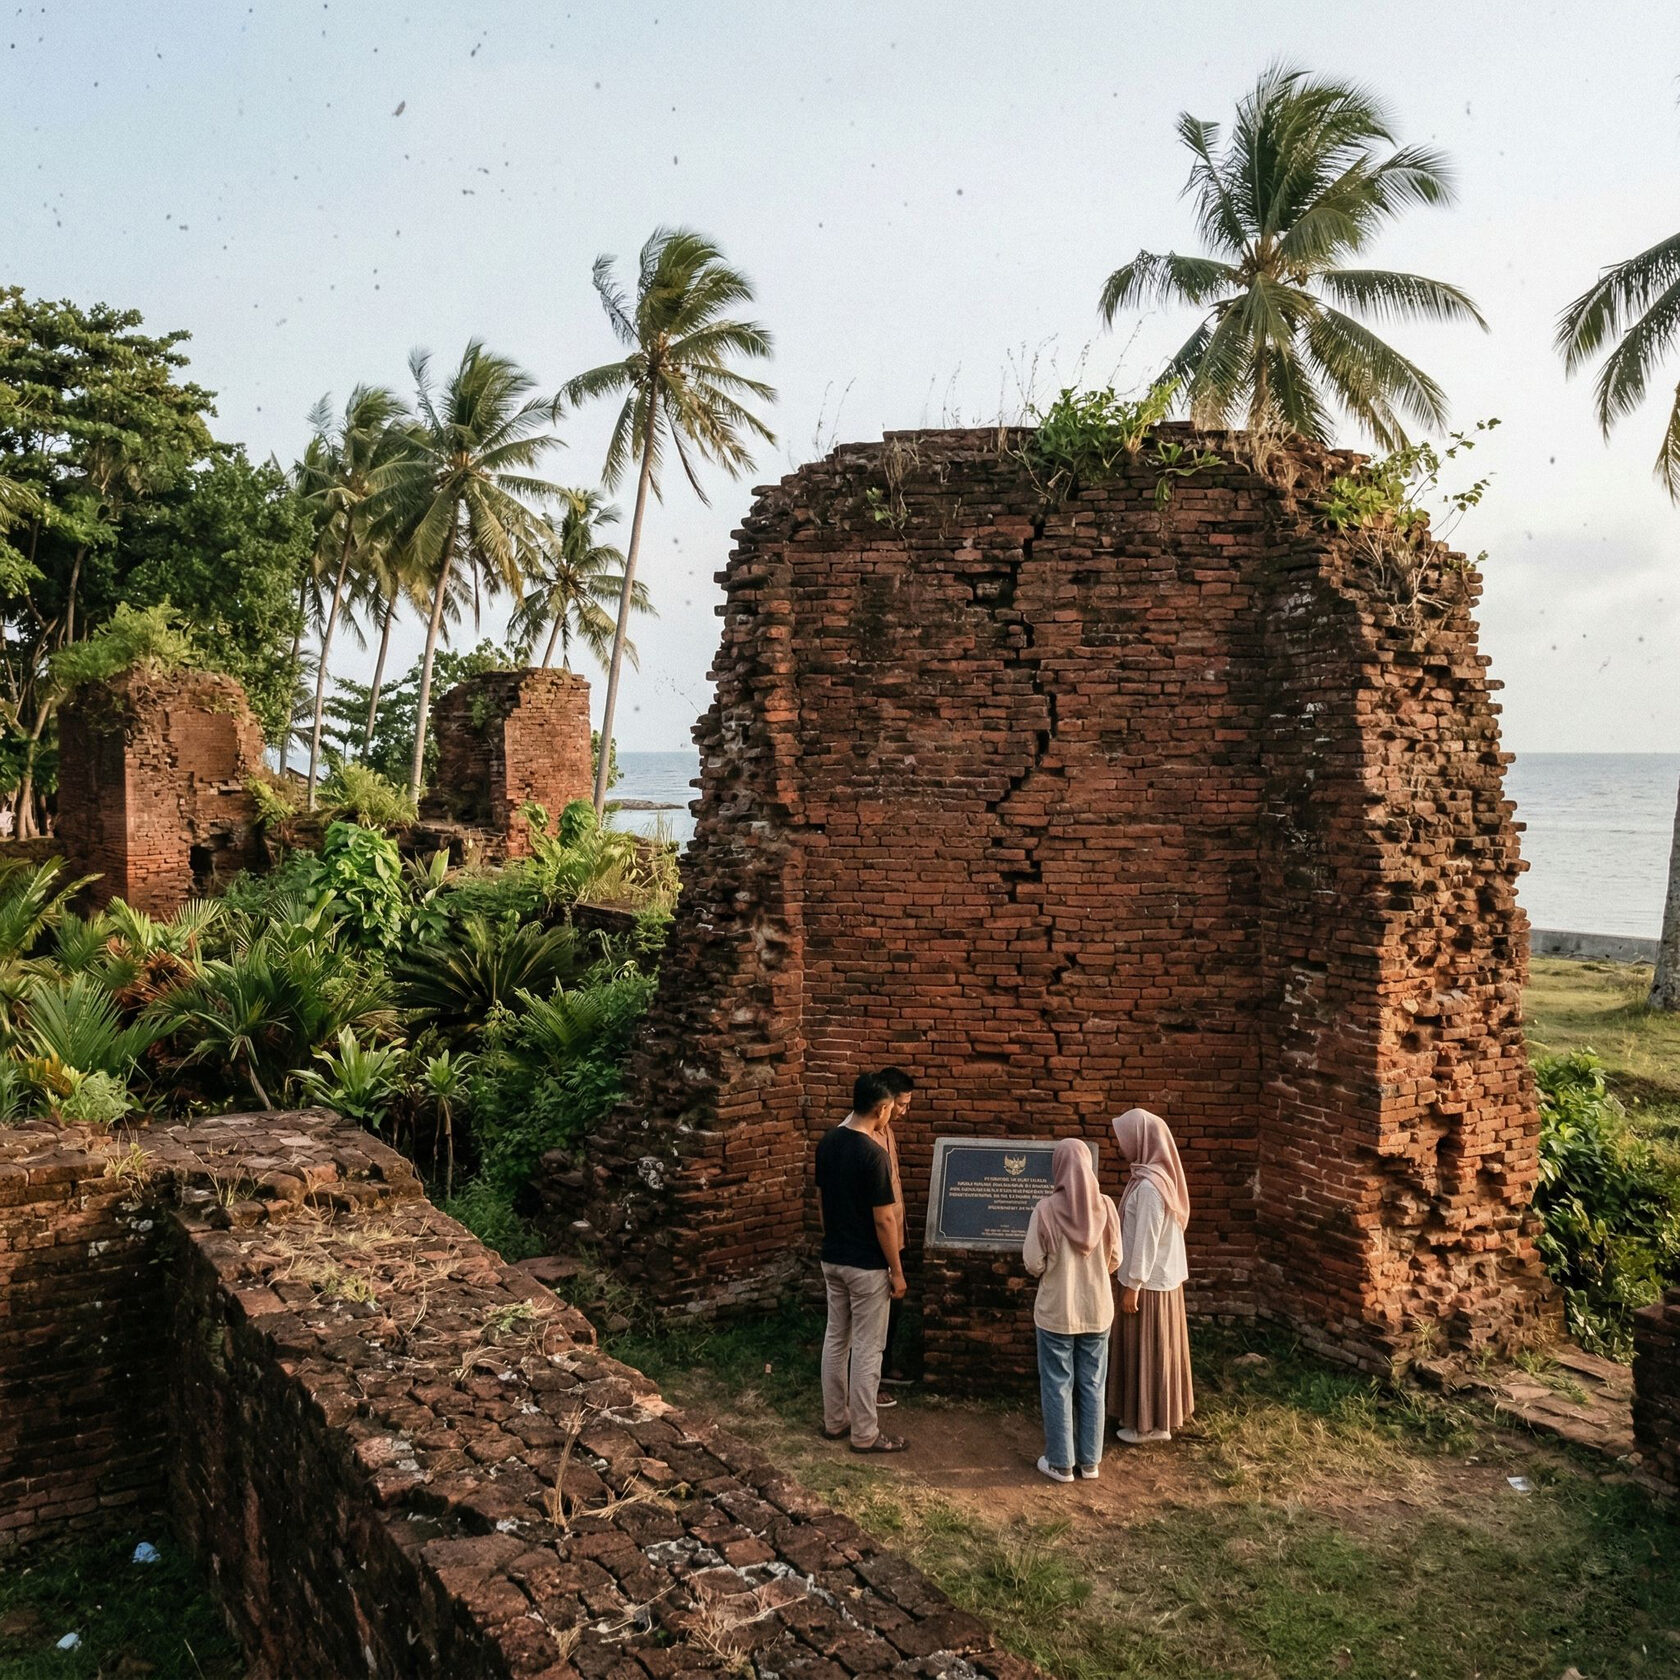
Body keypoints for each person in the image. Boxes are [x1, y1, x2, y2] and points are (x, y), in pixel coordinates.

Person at [814, 1071, 908, 1452]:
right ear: (881, 1109)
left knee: (836, 1340)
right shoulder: (874, 1155)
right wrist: (896, 1271)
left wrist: (833, 1237)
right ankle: (866, 1433)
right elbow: (884, 1220)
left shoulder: (827, 1143)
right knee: (869, 1349)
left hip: (833, 1257)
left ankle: (835, 1419)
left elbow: (821, 1203)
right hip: (866, 1265)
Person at [1023, 1137, 1121, 1483]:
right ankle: (1090, 1462)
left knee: (1057, 1384)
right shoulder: (1106, 1207)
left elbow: (1033, 1263)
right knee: (1093, 1384)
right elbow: (1116, 1259)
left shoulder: (1046, 1210)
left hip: (1056, 1312)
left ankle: (1060, 1462)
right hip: (1097, 1310)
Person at [1107, 1107, 1194, 1445]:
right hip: (1160, 1282)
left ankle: (1148, 1426)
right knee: (1158, 1350)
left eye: (1125, 1137)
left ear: (1142, 1139)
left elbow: (1145, 1238)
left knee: (1148, 1351)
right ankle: (1155, 1419)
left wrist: (1133, 1285)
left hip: (1148, 1285)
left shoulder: (1148, 1188)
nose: (1120, 1145)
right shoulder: (1157, 1179)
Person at [876, 1066, 917, 1389]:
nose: (904, 1111)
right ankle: (871, 1379)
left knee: (892, 1310)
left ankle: (884, 1364)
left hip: (894, 1236)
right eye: (901, 1105)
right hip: (878, 1241)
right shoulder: (867, 1139)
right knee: (874, 1317)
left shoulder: (887, 1131)